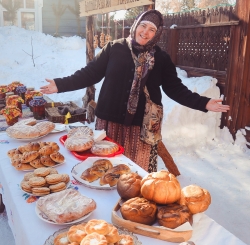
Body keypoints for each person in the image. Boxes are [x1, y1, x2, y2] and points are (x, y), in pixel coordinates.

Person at [40, 10, 229, 173]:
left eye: (152, 30)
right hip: (109, 124)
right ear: (136, 24)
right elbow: (90, 74)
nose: (145, 32)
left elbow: (175, 88)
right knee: (105, 170)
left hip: (141, 127)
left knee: (136, 174)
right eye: (143, 26)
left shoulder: (161, 59)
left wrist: (203, 103)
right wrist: (60, 84)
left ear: (157, 34)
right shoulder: (114, 48)